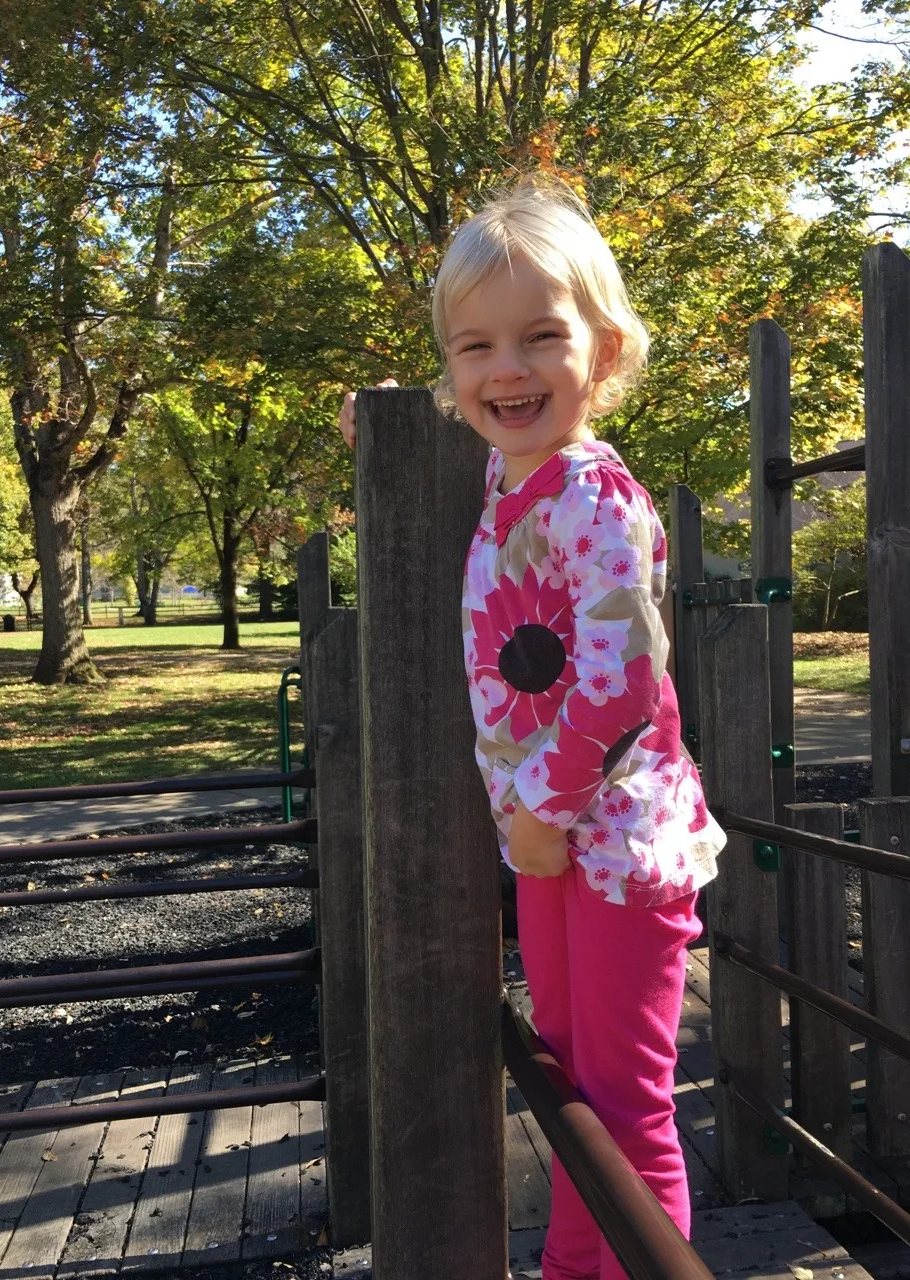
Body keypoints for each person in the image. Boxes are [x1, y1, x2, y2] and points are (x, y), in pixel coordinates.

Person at [337, 175, 726, 1280]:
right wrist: (386, 421)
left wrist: (545, 812)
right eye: (473, 347)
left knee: (624, 1102)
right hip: (558, 840)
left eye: (540, 336)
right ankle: (572, 1266)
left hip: (608, 841)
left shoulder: (593, 494)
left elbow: (620, 679)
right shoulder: (520, 475)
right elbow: (478, 428)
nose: (505, 368)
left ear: (602, 350)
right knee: (567, 1079)